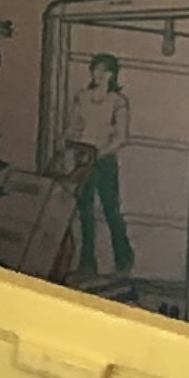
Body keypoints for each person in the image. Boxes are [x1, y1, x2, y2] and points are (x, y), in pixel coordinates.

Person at [64, 50, 135, 280]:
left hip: (104, 162)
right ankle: (87, 263)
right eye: (97, 69)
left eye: (106, 70)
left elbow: (121, 137)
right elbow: (73, 126)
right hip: (83, 160)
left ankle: (123, 259)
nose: (100, 74)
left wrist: (100, 152)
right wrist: (72, 141)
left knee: (110, 210)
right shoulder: (82, 97)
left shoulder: (118, 101)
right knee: (85, 212)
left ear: (113, 75)